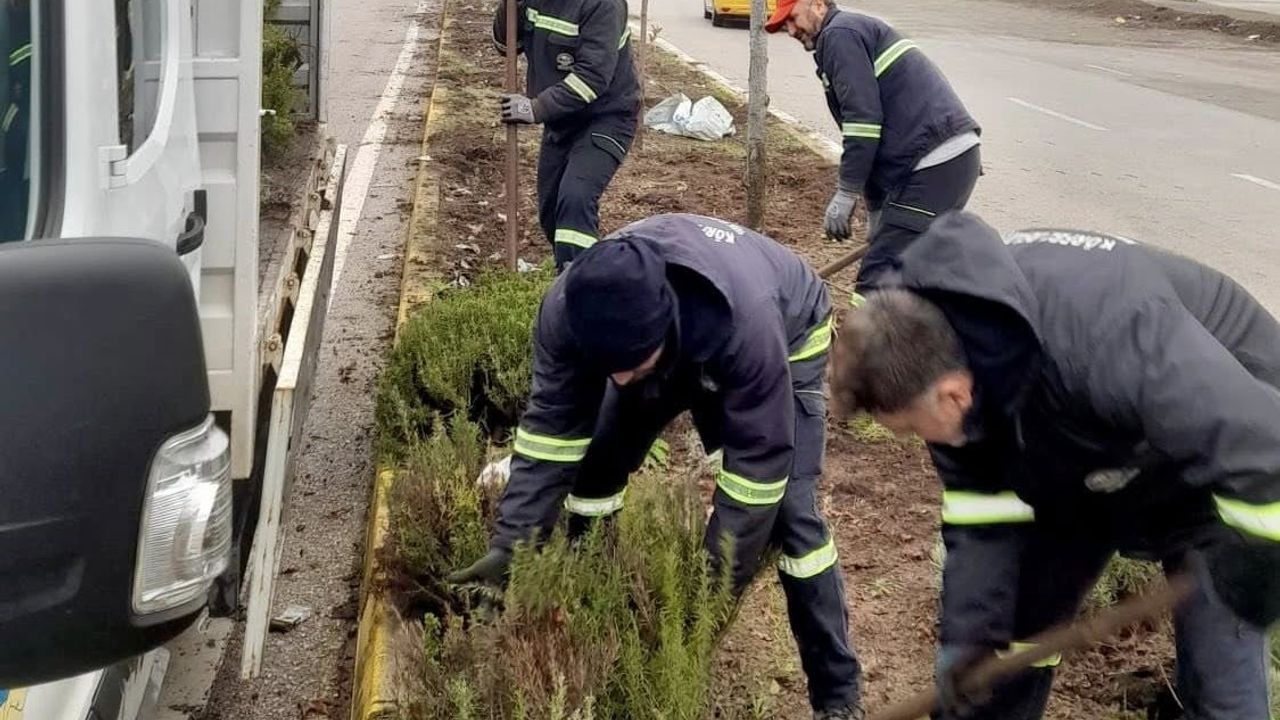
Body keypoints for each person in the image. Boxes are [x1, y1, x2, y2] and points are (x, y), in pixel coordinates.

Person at [827, 211, 1280, 720]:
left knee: (1223, 675)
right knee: (1011, 645)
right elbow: (983, 512)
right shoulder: (941, 355)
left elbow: (1264, 447)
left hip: (1232, 462)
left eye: (910, 428)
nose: (915, 441)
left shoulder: (1110, 335)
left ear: (954, 395)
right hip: (1087, 455)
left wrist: (1256, 564)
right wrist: (971, 634)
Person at [450, 213, 864, 719]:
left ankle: (837, 696)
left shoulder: (749, 328)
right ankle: (590, 601)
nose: (621, 380)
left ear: (663, 327)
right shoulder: (568, 311)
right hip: (675, 341)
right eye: (610, 370)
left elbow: (758, 474)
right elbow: (549, 437)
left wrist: (705, 601)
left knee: (792, 518)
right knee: (597, 465)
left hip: (788, 336)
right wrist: (511, 547)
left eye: (632, 366)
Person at [765, 0, 981, 284]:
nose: (791, 31)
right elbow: (874, 137)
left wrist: (845, 193)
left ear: (817, 4)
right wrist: (877, 209)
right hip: (942, 160)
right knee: (915, 270)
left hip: (934, 162)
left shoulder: (840, 34)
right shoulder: (844, 35)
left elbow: (862, 125)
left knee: (878, 278)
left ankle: (865, 327)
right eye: (785, 26)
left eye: (792, 19)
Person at [493, 0, 640, 271]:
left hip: (607, 118)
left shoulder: (604, 5)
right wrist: (508, 6)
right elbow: (506, 46)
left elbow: (592, 77)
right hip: (562, 121)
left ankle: (578, 290)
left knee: (575, 198)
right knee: (551, 214)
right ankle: (588, 268)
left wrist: (535, 108)